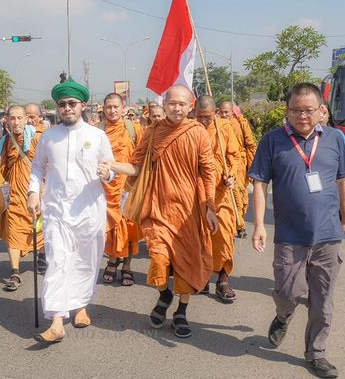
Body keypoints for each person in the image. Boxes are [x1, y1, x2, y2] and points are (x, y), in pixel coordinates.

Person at [249, 83, 345, 378]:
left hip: (328, 235)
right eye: (295, 110)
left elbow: (342, 180)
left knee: (322, 299)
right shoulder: (272, 141)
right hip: (289, 235)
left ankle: (316, 353)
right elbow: (259, 183)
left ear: (321, 111)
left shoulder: (335, 138)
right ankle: (283, 316)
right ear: (287, 110)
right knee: (287, 292)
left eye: (308, 110)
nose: (302, 116)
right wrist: (258, 225)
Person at [110, 84, 219, 339]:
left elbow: (208, 172)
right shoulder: (153, 132)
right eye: (172, 104)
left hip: (189, 212)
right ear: (165, 104)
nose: (177, 108)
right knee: (158, 260)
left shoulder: (198, 133)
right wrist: (112, 165)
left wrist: (210, 207)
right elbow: (136, 167)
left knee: (185, 265)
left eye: (182, 104)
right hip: (158, 209)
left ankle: (181, 311)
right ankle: (164, 294)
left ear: (190, 105)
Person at [27, 79, 115, 344]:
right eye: (62, 104)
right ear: (57, 107)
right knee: (57, 262)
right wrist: (33, 192)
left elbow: (110, 170)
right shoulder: (48, 137)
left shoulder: (97, 135)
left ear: (82, 106)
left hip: (90, 210)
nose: (67, 108)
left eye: (72, 103)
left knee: (85, 261)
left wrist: (107, 172)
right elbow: (36, 168)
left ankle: (81, 306)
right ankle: (56, 320)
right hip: (56, 210)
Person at [195, 96, 241, 302]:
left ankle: (223, 280)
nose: (204, 121)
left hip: (220, 191)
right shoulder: (190, 130)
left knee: (223, 235)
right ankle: (202, 277)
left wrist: (231, 175)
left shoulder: (225, 129)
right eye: (200, 117)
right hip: (196, 192)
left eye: (207, 117)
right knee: (200, 237)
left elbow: (235, 156)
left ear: (215, 113)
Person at [0, 105, 45, 291]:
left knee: (40, 229)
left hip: (36, 192)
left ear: (27, 119)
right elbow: (4, 168)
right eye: (12, 118)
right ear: (7, 120)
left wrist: (43, 190)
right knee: (14, 230)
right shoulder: (7, 141)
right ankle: (15, 272)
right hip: (16, 194)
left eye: (20, 118)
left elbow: (47, 165)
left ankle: (43, 257)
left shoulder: (38, 138)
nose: (16, 122)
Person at [99, 92, 143, 286]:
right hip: (105, 186)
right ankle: (111, 260)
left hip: (128, 186)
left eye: (116, 107)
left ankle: (126, 265)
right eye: (109, 107)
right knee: (110, 225)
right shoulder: (97, 131)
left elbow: (143, 157)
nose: (112, 110)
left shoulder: (135, 129)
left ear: (123, 109)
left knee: (129, 227)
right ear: (103, 109)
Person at [218, 100, 257, 237]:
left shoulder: (240, 124)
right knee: (227, 195)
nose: (224, 115)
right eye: (221, 112)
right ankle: (236, 224)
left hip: (239, 163)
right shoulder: (217, 126)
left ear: (232, 112)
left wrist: (252, 167)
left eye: (226, 112)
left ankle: (239, 223)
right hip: (222, 163)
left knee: (239, 194)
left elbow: (251, 145)